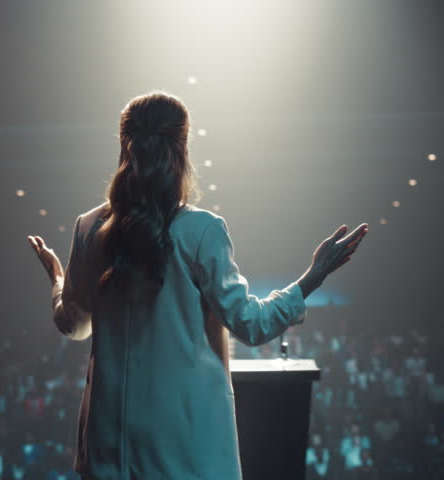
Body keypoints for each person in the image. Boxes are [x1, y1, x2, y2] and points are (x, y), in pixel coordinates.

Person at [27, 90, 368, 479]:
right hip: (187, 453)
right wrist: (312, 277)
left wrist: (57, 277)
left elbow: (74, 324)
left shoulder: (89, 228)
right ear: (181, 149)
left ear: (125, 145)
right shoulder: (201, 230)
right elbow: (251, 324)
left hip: (109, 453)